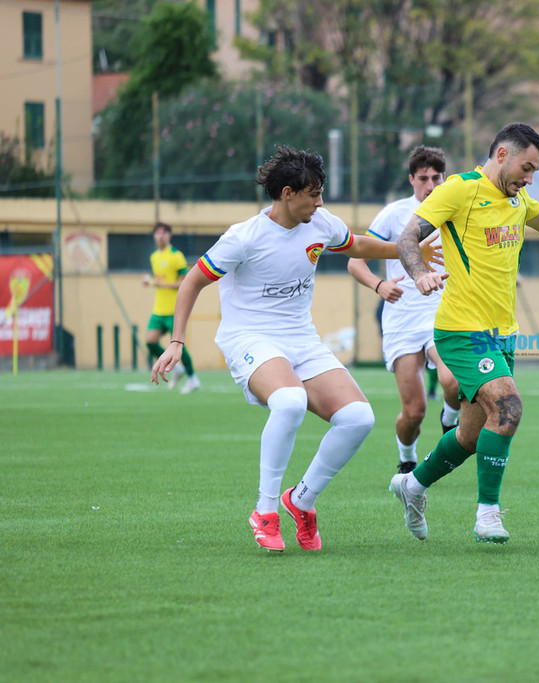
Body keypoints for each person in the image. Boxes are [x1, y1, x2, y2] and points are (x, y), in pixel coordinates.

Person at [150, 145, 441, 553]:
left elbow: (358, 245)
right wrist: (176, 342)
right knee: (289, 401)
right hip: (250, 337)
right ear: (287, 194)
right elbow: (192, 281)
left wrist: (408, 251)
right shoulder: (244, 237)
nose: (320, 202)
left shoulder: (320, 223)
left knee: (358, 418)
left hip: (301, 339)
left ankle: (301, 500)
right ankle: (265, 510)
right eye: (313, 194)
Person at [388, 122, 539, 544]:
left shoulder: (516, 199)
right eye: (527, 168)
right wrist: (421, 273)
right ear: (502, 155)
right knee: (509, 408)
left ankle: (412, 485)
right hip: (462, 331)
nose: (529, 178)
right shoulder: (459, 190)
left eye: (535, 171)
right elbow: (407, 237)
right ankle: (487, 514)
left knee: (469, 437)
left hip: (502, 335)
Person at [347, 146, 461, 475]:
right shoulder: (394, 214)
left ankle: (450, 419)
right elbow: (356, 262)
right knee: (414, 412)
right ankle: (407, 457)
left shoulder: (454, 211)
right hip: (401, 319)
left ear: (444, 178)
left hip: (442, 314)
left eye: (436, 178)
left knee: (453, 381)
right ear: (411, 179)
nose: (430, 185)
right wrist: (380, 286)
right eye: (423, 178)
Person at [143, 222, 200, 394]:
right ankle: (176, 369)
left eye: (164, 233)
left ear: (169, 235)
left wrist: (163, 284)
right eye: (158, 233)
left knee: (178, 344)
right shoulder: (154, 257)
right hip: (158, 309)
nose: (160, 236)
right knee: (150, 341)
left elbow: (185, 282)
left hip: (174, 310)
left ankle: (192, 378)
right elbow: (159, 280)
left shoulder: (176, 256)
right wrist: (150, 281)